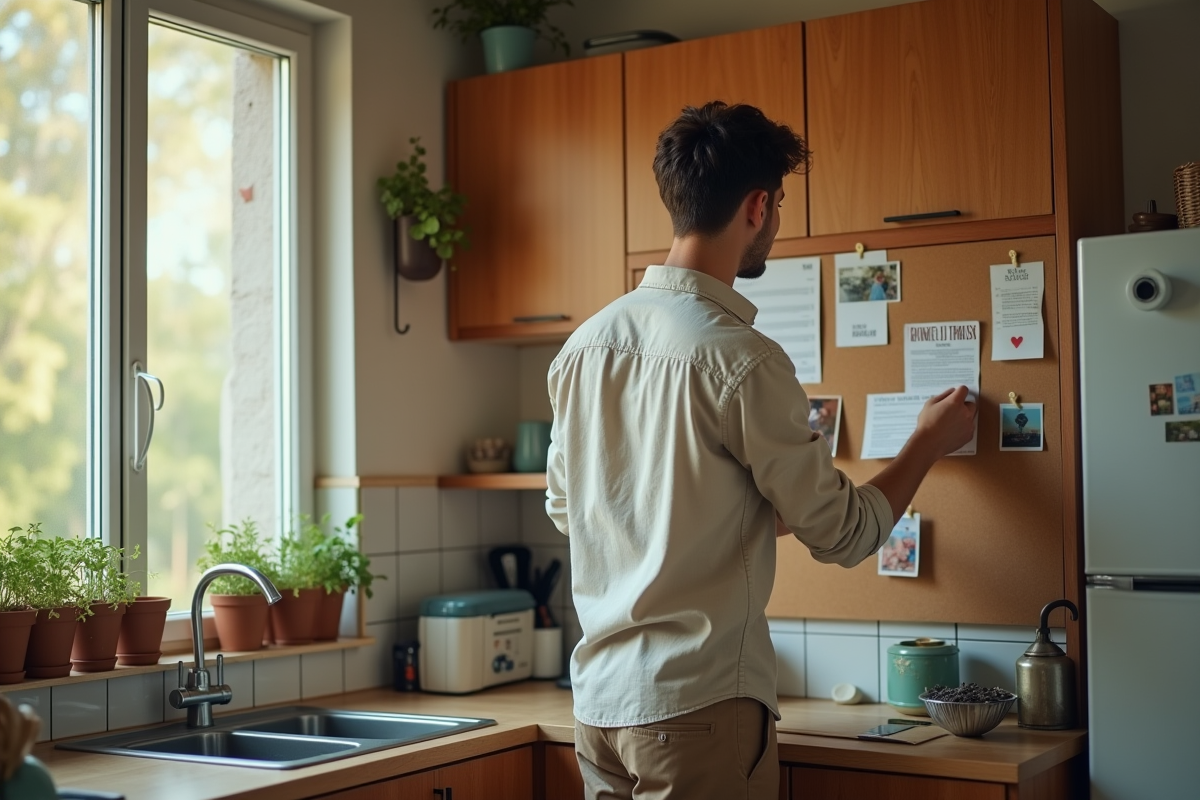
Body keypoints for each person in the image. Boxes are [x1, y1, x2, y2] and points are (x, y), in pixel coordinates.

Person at [544, 101, 977, 800]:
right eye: (778, 204)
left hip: (598, 709)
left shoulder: (584, 346)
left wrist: (733, 513)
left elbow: (571, 508)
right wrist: (926, 441)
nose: (774, 222)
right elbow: (846, 533)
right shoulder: (740, 359)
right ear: (757, 205)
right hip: (699, 708)